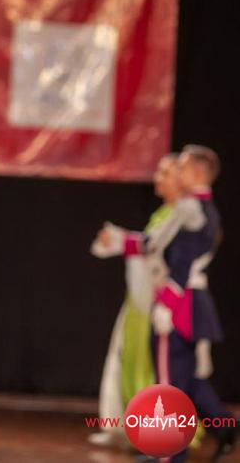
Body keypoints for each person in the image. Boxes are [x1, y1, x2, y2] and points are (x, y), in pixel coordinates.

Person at [89, 154, 180, 447]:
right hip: (142, 298)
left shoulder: (181, 216)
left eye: (165, 174)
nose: (158, 179)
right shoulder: (164, 213)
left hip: (161, 301)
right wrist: (119, 240)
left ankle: (154, 432)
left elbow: (155, 249)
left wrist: (121, 240)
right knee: (128, 358)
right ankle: (128, 427)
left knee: (149, 366)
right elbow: (148, 244)